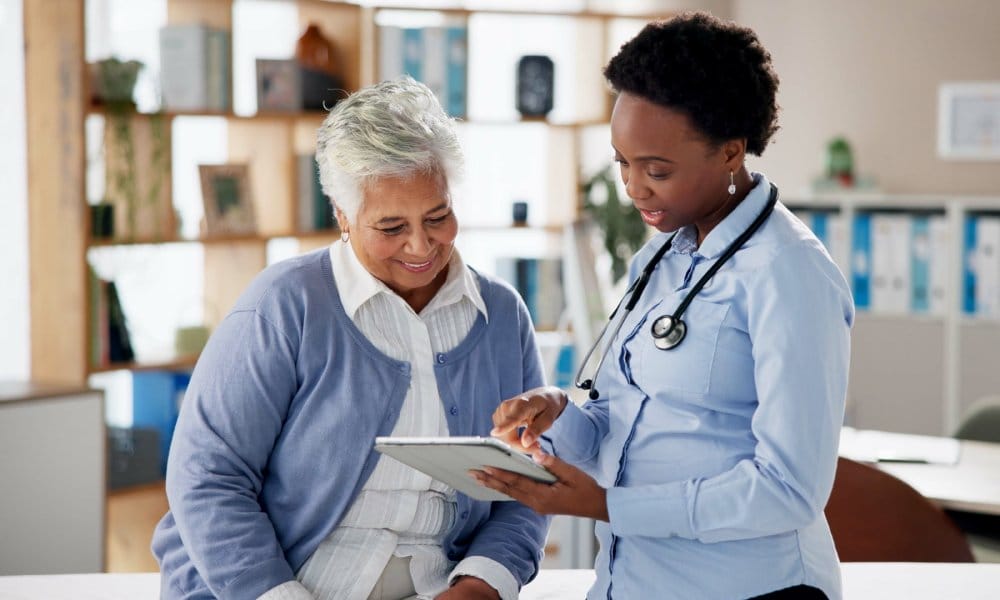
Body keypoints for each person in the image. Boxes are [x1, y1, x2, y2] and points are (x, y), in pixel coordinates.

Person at [476, 13, 853, 600]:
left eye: (657, 170)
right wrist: (559, 416)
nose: (634, 188)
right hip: (631, 583)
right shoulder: (659, 261)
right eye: (622, 162)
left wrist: (609, 506)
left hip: (750, 589)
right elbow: (627, 431)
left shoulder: (788, 272)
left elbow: (788, 490)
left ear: (731, 152)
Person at [152, 77, 548, 600]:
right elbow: (207, 479)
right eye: (390, 227)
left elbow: (527, 483)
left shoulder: (501, 315)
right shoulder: (283, 305)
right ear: (343, 215)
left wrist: (481, 584)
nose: (421, 245)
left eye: (438, 216)